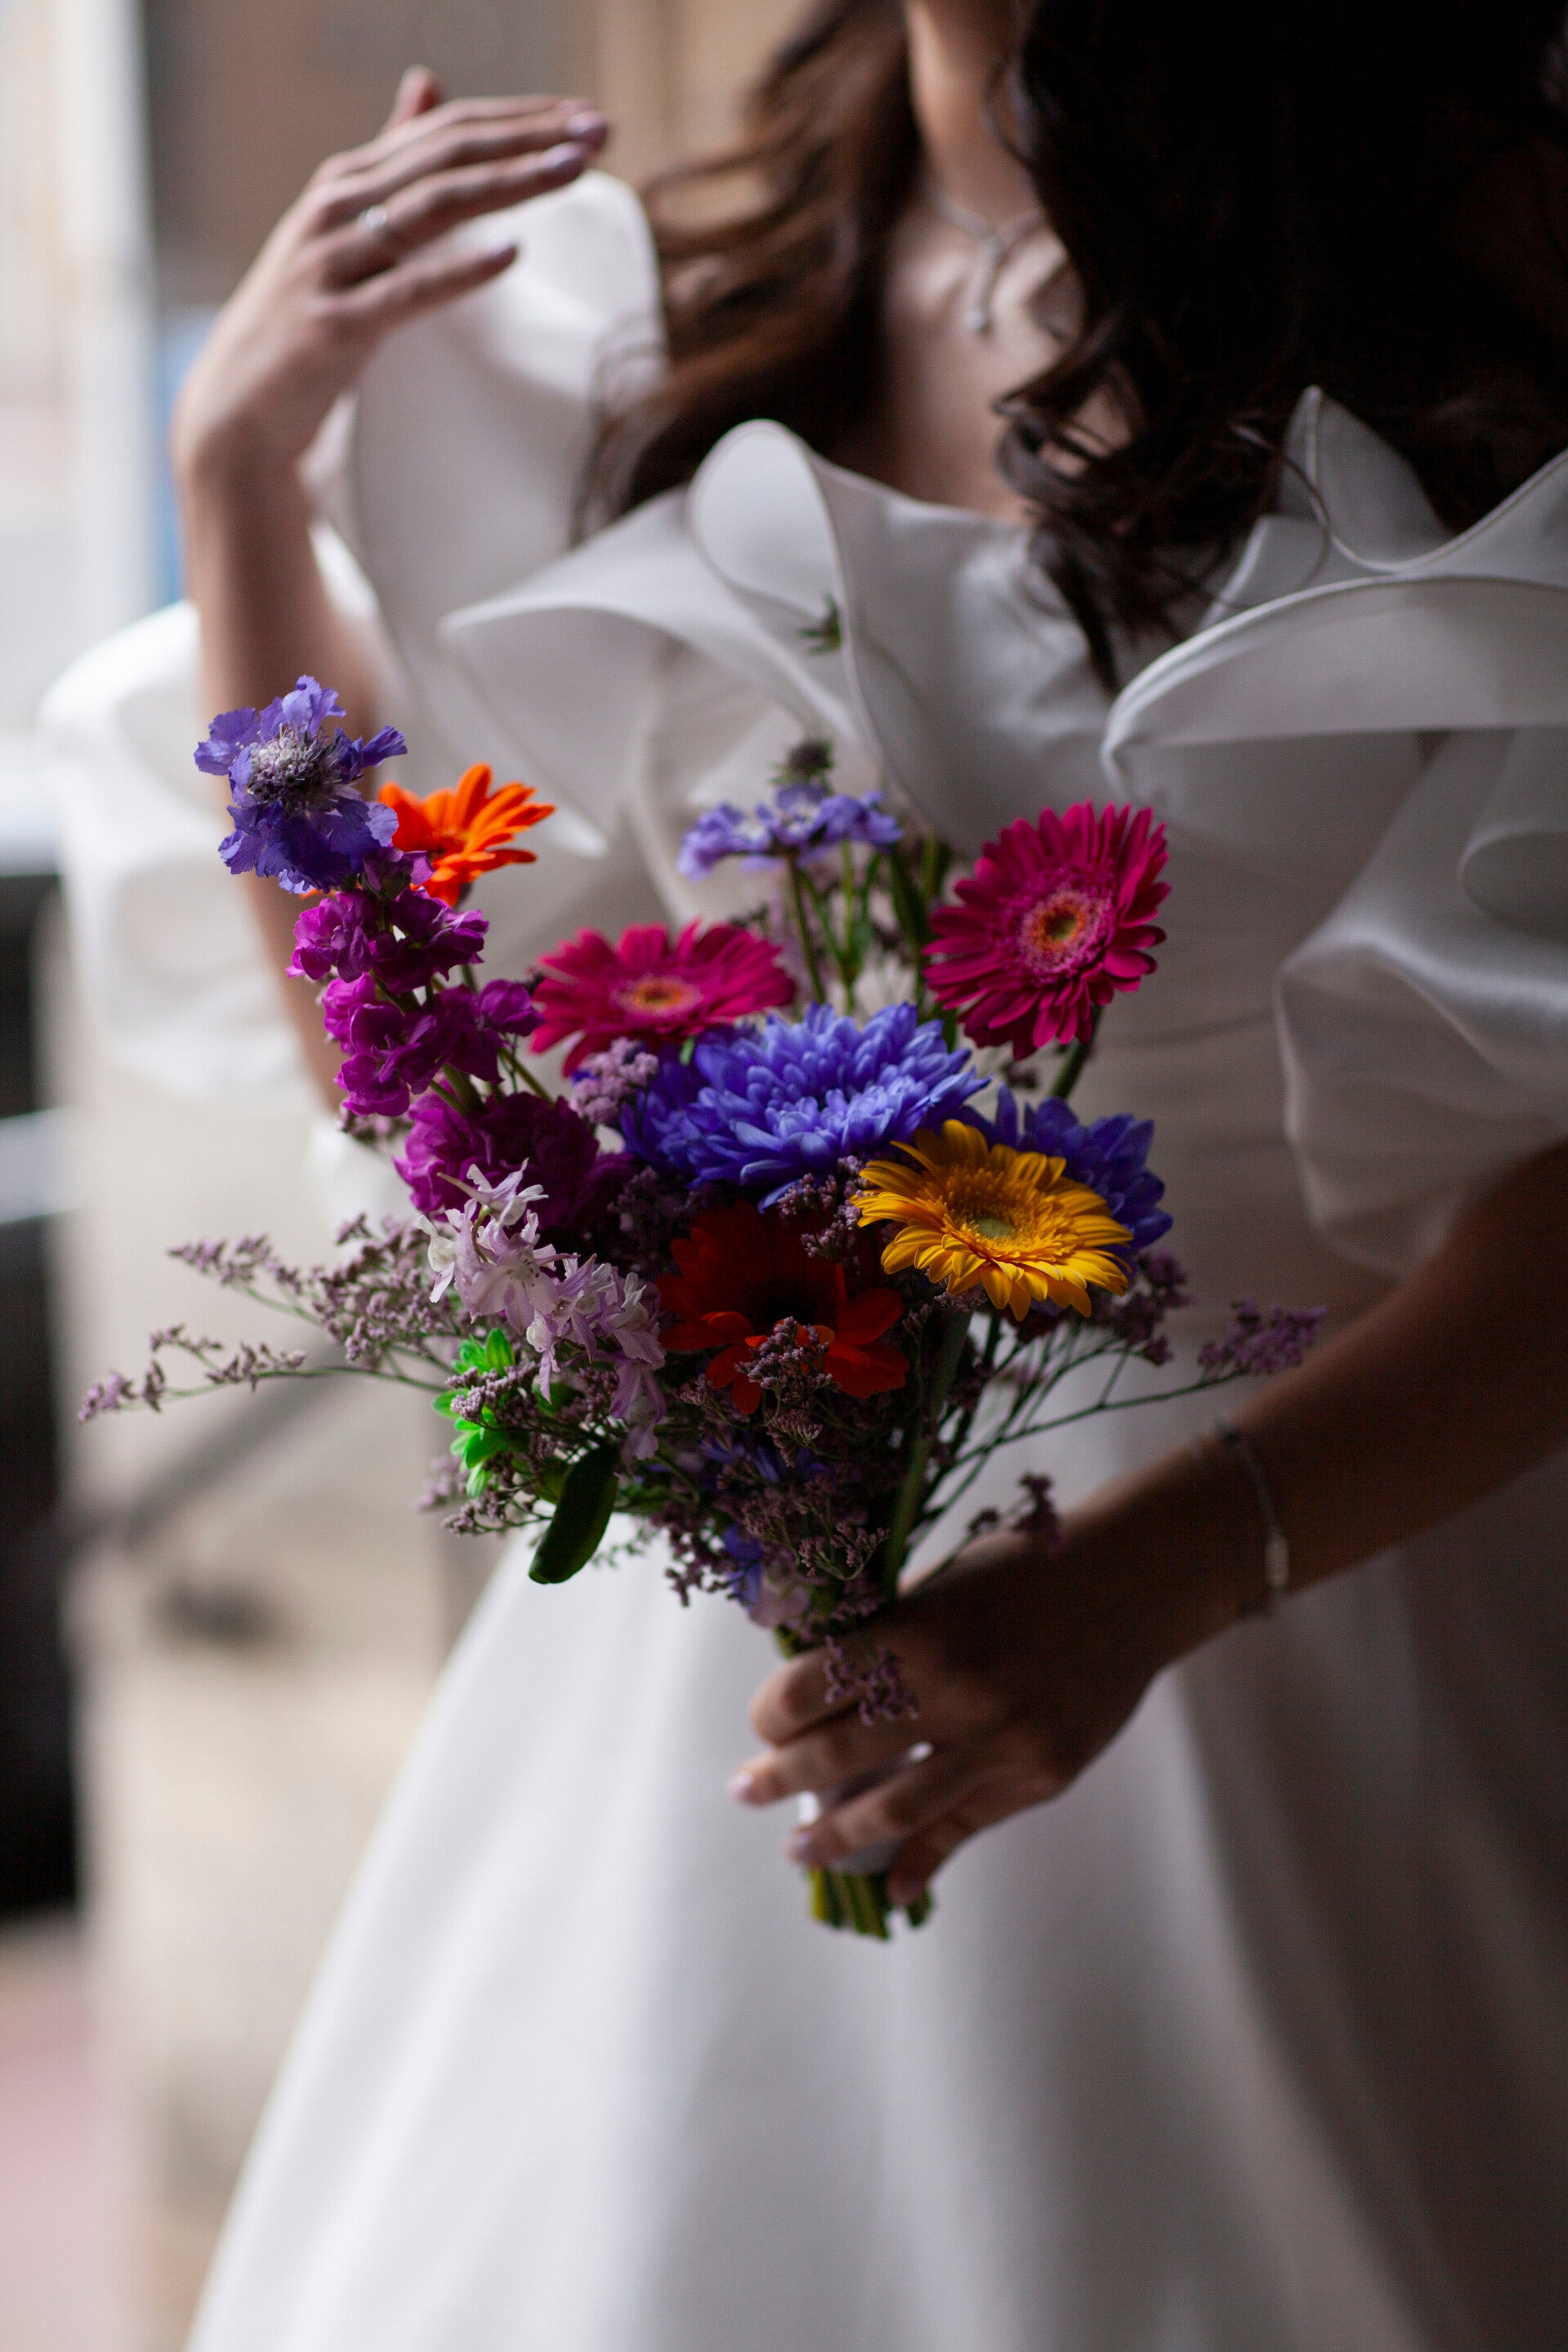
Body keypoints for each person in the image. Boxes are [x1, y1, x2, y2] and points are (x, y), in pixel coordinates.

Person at [42, 2, 1568, 2344]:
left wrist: (1162, 1577)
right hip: (740, 1657)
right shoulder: (669, 320)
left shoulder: (1471, 282)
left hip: (1321, 1587)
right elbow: (424, 1075)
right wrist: (242, 476)